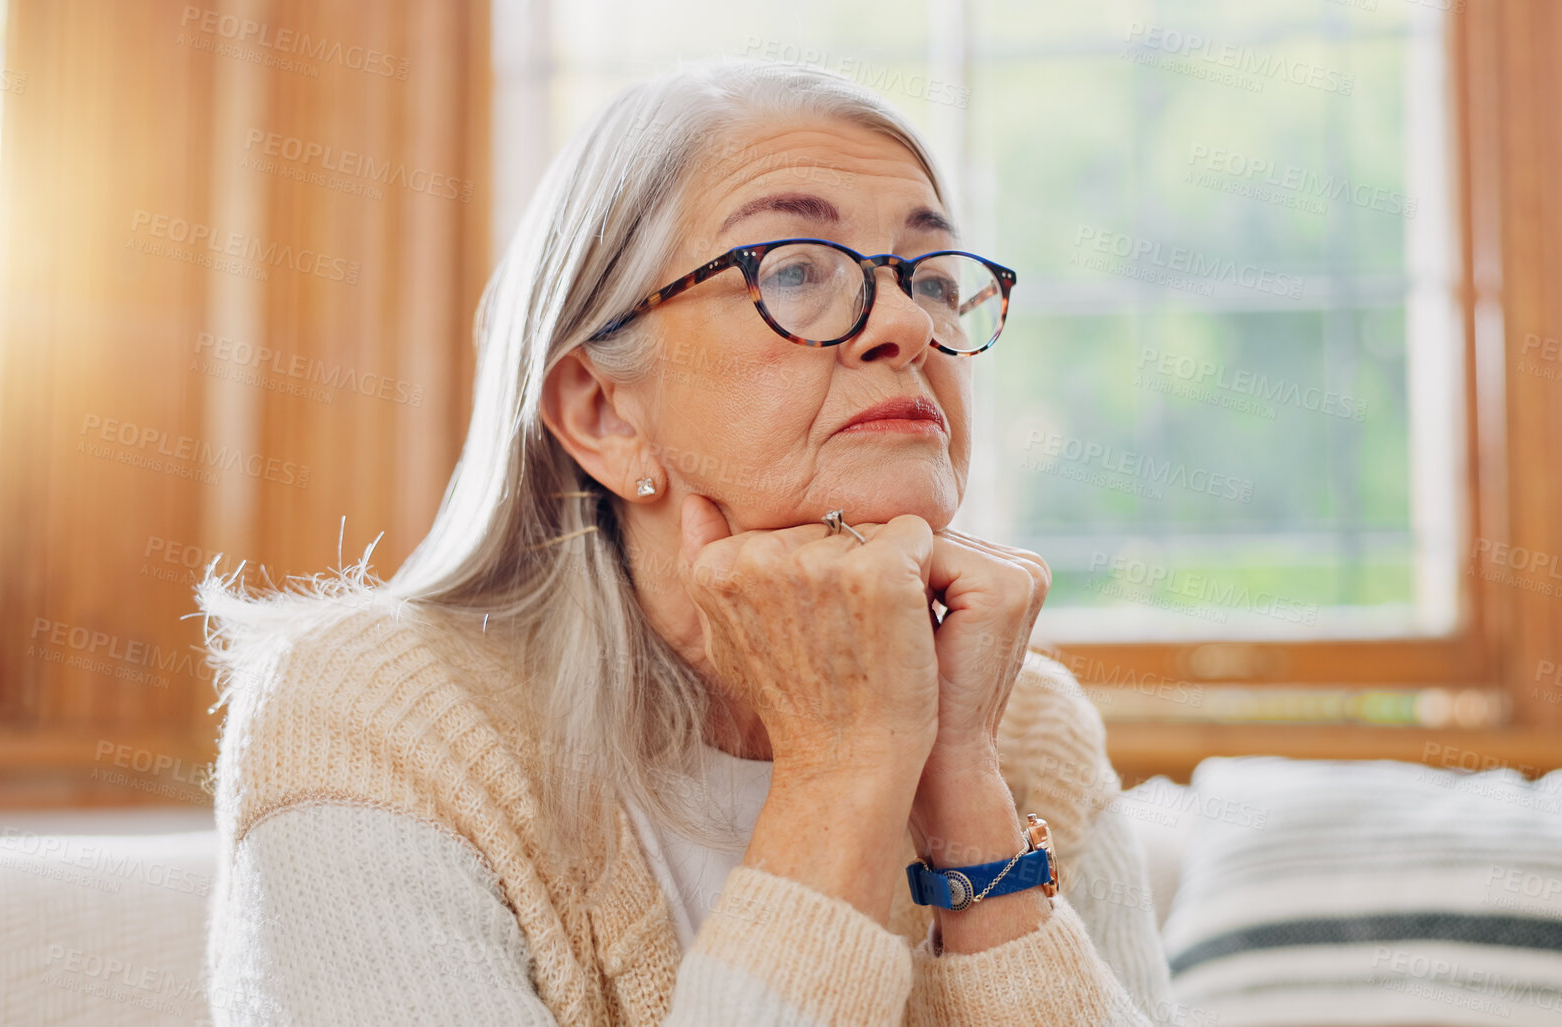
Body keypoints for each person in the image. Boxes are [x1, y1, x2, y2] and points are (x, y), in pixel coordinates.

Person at [197, 58, 1173, 1026]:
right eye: (794, 269)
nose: (910, 323)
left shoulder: (1024, 726)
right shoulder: (374, 718)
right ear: (601, 412)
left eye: (930, 277)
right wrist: (842, 776)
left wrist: (966, 795)